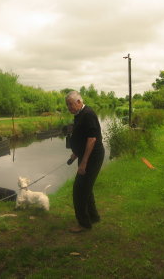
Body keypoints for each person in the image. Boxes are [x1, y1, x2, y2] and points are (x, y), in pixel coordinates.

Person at [65, 91, 105, 233]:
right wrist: (75, 154)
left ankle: (83, 224)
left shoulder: (88, 114)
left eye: (71, 104)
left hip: (92, 157)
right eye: (67, 105)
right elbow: (82, 138)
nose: (69, 107)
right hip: (85, 156)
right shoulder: (79, 115)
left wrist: (83, 163)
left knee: (79, 190)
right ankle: (93, 217)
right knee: (86, 188)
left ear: (79, 101)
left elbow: (92, 139)